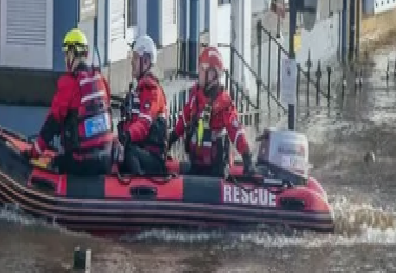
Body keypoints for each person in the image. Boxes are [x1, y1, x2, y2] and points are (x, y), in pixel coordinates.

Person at [30, 28, 115, 176]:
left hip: (81, 162)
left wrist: (34, 151)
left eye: (66, 54)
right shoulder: (101, 80)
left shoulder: (69, 84)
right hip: (106, 159)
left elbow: (53, 122)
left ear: (71, 53)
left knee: (55, 163)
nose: (65, 59)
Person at [168, 45, 254, 177]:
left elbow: (235, 130)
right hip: (197, 163)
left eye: (202, 69)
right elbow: (184, 119)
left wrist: (246, 156)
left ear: (212, 74)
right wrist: (171, 139)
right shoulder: (196, 95)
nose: (199, 73)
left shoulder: (224, 102)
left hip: (216, 167)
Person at [117, 35, 169, 176]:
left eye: (134, 58)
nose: (132, 63)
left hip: (152, 157)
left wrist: (126, 136)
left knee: (129, 152)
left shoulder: (152, 91)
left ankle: (139, 185)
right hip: (141, 151)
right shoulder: (139, 90)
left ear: (145, 61)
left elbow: (144, 123)